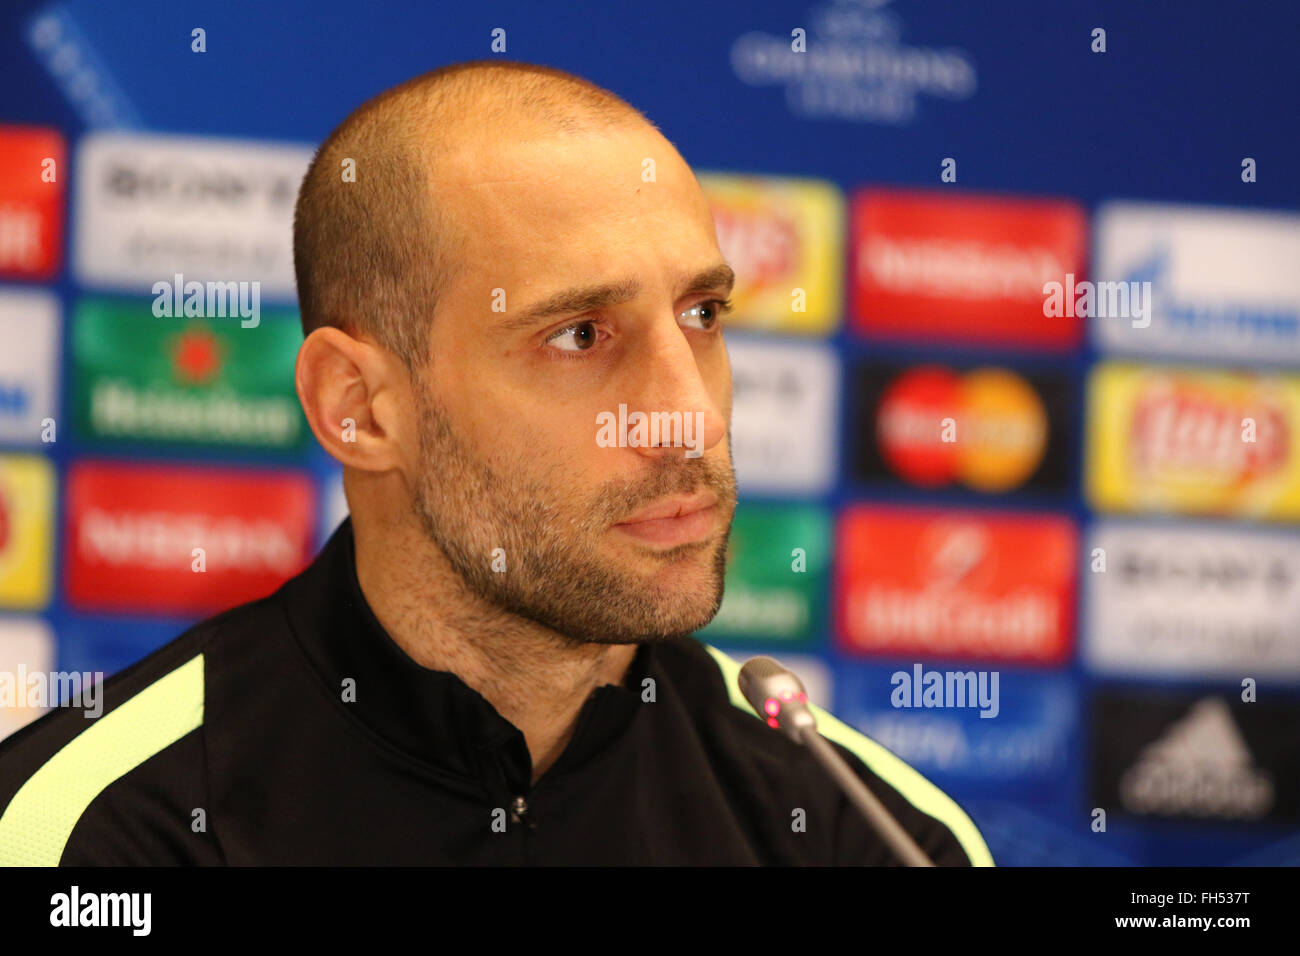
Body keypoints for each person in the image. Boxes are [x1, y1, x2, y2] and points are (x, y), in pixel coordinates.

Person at [0, 60, 991, 866]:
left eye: (702, 314)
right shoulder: (98, 836)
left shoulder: (878, 836)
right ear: (359, 407)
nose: (689, 416)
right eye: (580, 335)